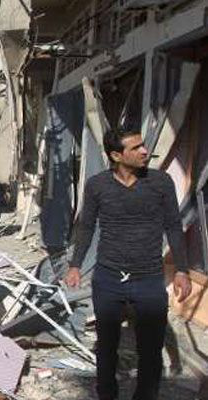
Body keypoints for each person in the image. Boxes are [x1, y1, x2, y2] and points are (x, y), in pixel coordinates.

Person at [65, 130, 192, 400]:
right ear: (116, 156)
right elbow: (86, 226)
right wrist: (75, 265)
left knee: (150, 349)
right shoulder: (97, 185)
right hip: (109, 278)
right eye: (136, 147)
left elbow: (173, 226)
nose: (145, 151)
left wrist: (181, 269)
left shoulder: (160, 182)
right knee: (107, 346)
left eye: (143, 145)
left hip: (148, 278)